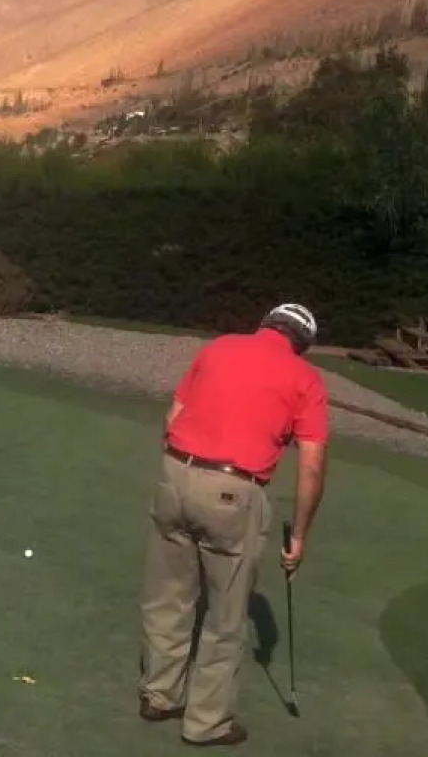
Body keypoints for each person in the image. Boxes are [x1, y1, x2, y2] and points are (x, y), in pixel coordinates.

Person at [136, 303, 328, 747]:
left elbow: (172, 416)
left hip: (175, 474)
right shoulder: (305, 378)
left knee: (167, 596)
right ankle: (207, 723)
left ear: (264, 323)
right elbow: (312, 466)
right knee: (225, 617)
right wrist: (298, 535)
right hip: (233, 491)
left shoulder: (220, 348)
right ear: (303, 344)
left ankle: (159, 695)